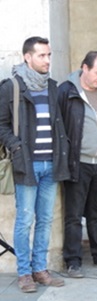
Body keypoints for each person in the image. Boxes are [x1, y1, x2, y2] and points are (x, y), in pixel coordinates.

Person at [0, 36, 69, 293]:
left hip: (51, 164)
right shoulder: (11, 87)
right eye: (42, 55)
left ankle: (40, 269)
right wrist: (16, 147)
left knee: (46, 219)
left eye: (49, 55)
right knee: (24, 219)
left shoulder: (53, 87)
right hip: (26, 165)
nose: (47, 60)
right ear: (28, 57)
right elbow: (1, 125)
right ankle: (24, 273)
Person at [58, 51, 97, 278]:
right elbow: (60, 128)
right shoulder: (66, 92)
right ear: (84, 68)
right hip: (78, 162)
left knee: (96, 213)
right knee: (74, 215)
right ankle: (73, 261)